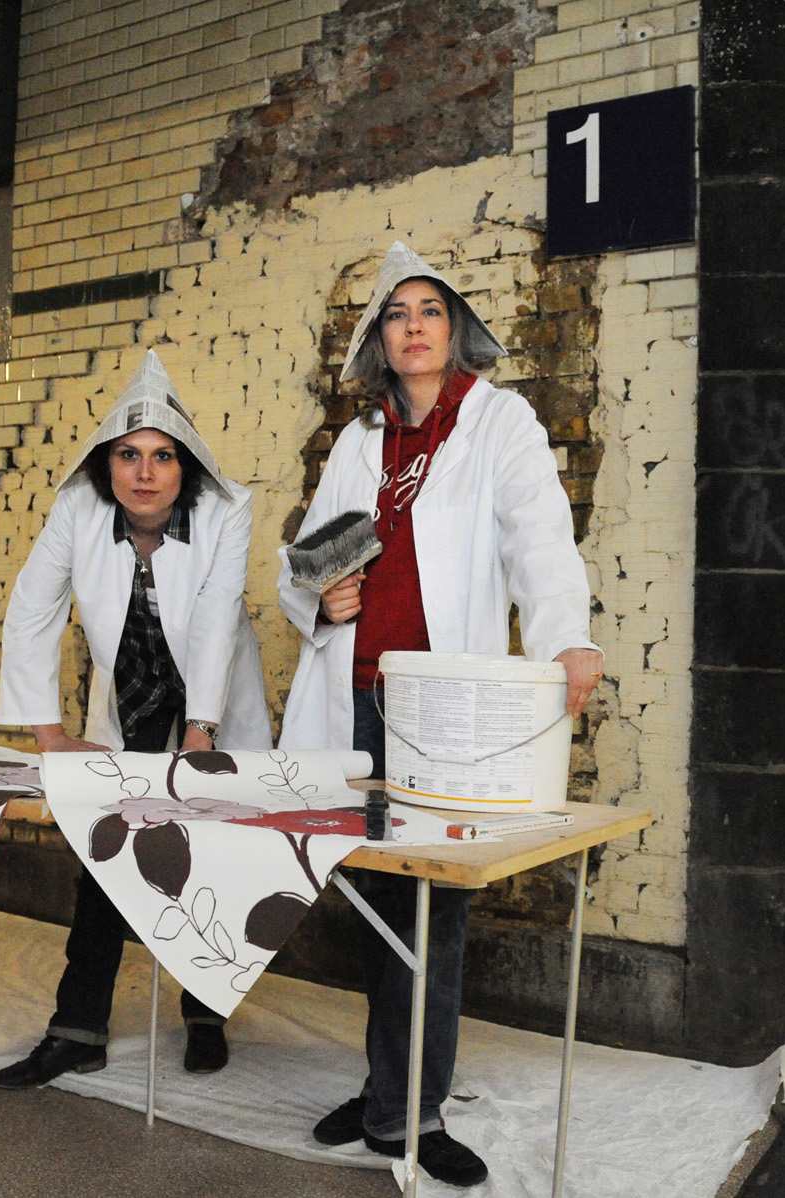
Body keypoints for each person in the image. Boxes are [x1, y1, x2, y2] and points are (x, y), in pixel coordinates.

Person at [277, 242, 603, 1187]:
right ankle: (389, 1085)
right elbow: (311, 561)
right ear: (379, 339)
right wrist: (321, 598)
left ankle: (411, 1111)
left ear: (454, 329)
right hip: (356, 694)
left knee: (438, 905)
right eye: (397, 314)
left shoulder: (496, 423)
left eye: (429, 311)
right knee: (378, 900)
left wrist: (567, 638)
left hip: (442, 707)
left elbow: (540, 539)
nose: (413, 327)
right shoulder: (362, 442)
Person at [0, 350, 272, 1088]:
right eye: (128, 455)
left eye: (162, 457)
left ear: (185, 468)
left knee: (214, 854)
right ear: (106, 464)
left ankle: (206, 1014)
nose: (145, 473)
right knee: (105, 856)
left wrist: (202, 733)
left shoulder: (225, 511)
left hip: (212, 696)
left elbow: (214, 619)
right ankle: (77, 1029)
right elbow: (31, 610)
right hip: (128, 701)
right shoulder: (77, 510)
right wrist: (50, 735)